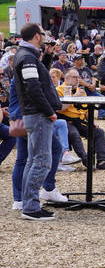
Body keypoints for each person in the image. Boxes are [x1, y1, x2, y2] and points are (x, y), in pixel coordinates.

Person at [14, 23, 65, 220]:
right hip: (37, 114)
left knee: (33, 161)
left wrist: (49, 56)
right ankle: (31, 207)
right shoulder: (27, 57)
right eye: (43, 34)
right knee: (42, 161)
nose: (45, 37)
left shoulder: (27, 55)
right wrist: (49, 111)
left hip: (32, 113)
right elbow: (33, 87)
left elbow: (37, 77)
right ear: (37, 36)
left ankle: (29, 204)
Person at [56, 69, 105, 171]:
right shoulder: (59, 90)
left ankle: (101, 161)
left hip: (79, 120)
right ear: (66, 78)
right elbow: (60, 108)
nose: (77, 80)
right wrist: (74, 97)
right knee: (74, 134)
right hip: (66, 120)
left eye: (78, 77)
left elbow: (85, 109)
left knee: (99, 132)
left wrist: (91, 120)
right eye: (74, 77)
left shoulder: (81, 92)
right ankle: (86, 161)